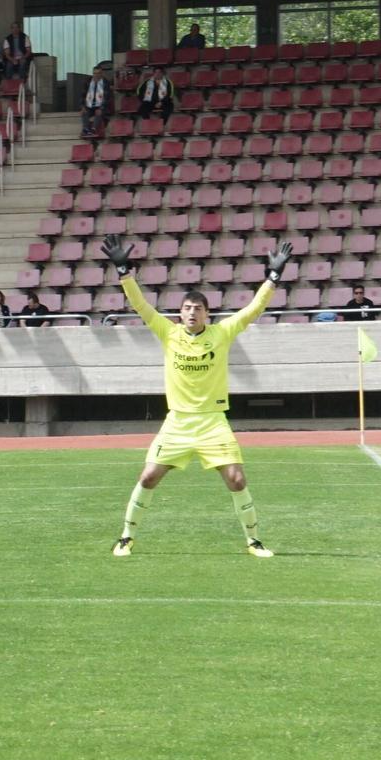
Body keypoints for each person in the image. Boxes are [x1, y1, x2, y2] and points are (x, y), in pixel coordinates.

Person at [100, 233, 292, 558]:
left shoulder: (222, 333)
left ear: (207, 314)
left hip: (213, 423)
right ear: (180, 314)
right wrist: (124, 272)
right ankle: (126, 537)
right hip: (177, 423)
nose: (192, 313)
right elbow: (140, 305)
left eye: (198, 309)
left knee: (236, 478)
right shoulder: (168, 333)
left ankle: (254, 541)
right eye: (187, 308)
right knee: (148, 476)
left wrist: (273, 277)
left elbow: (254, 308)